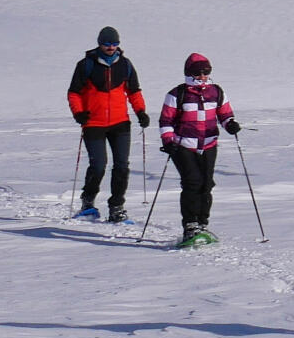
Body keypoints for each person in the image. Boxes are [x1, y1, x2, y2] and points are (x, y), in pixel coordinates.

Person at [158, 52, 240, 247]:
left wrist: (230, 124)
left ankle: (202, 224)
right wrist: (168, 141)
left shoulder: (216, 92)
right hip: (183, 145)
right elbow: (166, 120)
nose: (202, 76)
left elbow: (225, 114)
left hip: (209, 144)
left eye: (206, 72)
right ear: (189, 73)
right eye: (198, 72)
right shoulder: (177, 94)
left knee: (207, 184)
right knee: (192, 182)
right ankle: (190, 226)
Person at [67, 27, 147, 223]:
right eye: (107, 44)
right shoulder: (86, 65)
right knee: (99, 165)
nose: (111, 47)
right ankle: (88, 202)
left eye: (114, 44)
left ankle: (116, 207)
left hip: (120, 123)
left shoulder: (125, 65)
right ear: (99, 43)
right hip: (93, 123)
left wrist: (140, 111)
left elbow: (134, 91)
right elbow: (74, 93)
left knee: (121, 166)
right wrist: (78, 113)